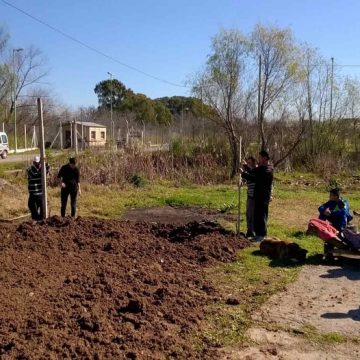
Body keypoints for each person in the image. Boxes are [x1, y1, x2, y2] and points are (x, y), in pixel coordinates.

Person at [241, 150, 274, 242]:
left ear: (264, 158)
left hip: (263, 197)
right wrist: (244, 170)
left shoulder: (268, 169)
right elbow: (253, 174)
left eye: (260, 157)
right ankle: (258, 234)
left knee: (261, 215)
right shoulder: (261, 168)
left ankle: (262, 235)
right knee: (257, 215)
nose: (259, 159)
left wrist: (244, 170)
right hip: (258, 196)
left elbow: (254, 174)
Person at [27, 156, 49, 220]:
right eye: (36, 163)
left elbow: (47, 169)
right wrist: (42, 167)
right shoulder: (30, 169)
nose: (37, 164)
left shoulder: (42, 170)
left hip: (40, 193)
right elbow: (34, 174)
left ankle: (40, 220)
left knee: (42, 208)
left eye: (39, 162)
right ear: (33, 162)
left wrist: (46, 163)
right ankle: (36, 219)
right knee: (32, 207)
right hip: (33, 193)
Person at [242, 156, 257, 238]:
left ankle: (254, 231)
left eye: (250, 163)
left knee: (255, 215)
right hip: (250, 196)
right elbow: (244, 180)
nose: (249, 164)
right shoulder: (248, 171)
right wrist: (242, 179)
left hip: (257, 196)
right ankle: (249, 231)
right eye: (248, 163)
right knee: (249, 214)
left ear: (254, 163)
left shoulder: (257, 170)